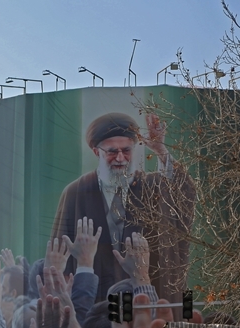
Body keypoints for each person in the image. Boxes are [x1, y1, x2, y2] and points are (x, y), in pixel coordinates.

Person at [50, 111, 195, 305]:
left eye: (126, 150)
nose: (120, 158)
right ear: (97, 152)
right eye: (112, 152)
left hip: (147, 301)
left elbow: (184, 192)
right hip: (95, 304)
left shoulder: (152, 186)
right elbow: (58, 257)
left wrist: (161, 150)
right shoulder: (76, 193)